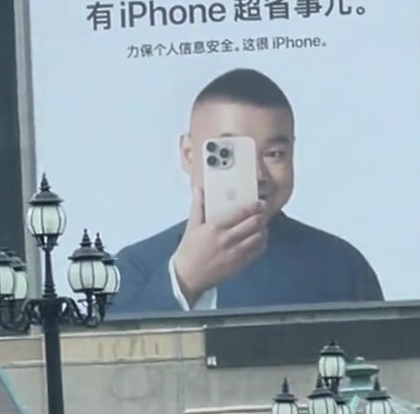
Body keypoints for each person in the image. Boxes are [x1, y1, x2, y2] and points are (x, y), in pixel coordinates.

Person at [115, 67, 382, 315]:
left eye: (274, 154)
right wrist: (184, 280)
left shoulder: (342, 267)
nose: (256, 175)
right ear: (188, 154)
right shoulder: (134, 267)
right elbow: (110, 348)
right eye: (229, 153)